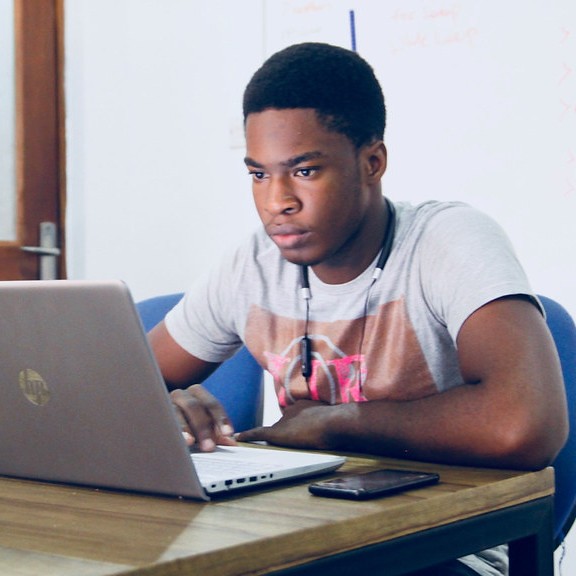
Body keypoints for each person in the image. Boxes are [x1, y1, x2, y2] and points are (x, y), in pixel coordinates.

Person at [149, 42, 568, 576]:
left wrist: (336, 423)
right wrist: (161, 411)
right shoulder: (252, 263)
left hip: (447, 544)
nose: (277, 200)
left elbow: (524, 425)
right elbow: (121, 384)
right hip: (303, 533)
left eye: (303, 171)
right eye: (258, 175)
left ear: (372, 162)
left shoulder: (448, 240)